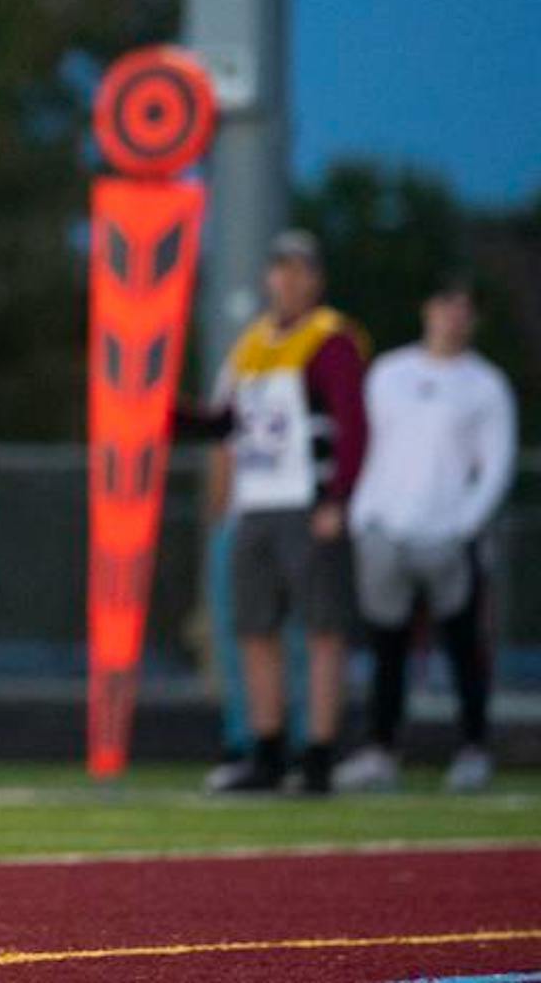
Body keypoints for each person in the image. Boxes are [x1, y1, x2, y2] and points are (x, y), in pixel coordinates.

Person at [179, 230, 369, 796]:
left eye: (299, 270)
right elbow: (226, 423)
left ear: (316, 280)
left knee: (322, 630)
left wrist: (338, 498)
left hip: (306, 502)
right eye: (280, 269)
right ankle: (267, 748)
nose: (287, 280)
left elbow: (353, 425)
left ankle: (318, 753)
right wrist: (161, 411)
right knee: (254, 629)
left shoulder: (330, 340)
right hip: (256, 502)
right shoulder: (254, 344)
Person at [334, 278, 516, 794]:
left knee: (462, 646)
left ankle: (473, 748)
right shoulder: (390, 373)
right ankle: (380, 749)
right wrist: (363, 514)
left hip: (448, 537)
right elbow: (365, 445)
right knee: (386, 647)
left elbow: (496, 465)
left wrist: (465, 523)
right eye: (445, 306)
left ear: (473, 320)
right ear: (427, 310)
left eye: (463, 309)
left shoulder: (486, 385)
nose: (452, 317)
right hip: (385, 531)